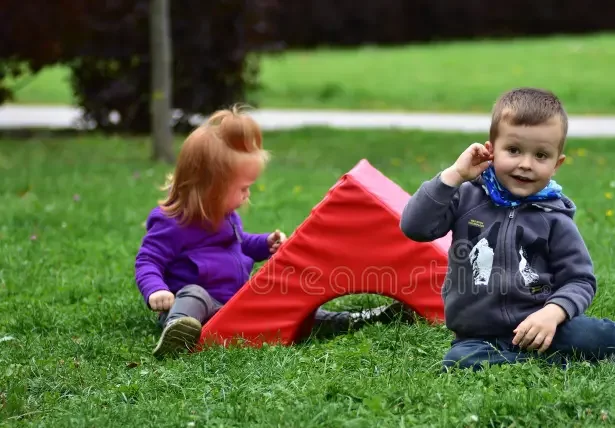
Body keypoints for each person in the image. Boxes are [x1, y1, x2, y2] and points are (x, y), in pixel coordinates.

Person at [400, 87, 615, 371]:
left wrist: (554, 313)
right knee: (458, 361)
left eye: (541, 156)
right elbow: (414, 226)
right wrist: (453, 175)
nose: (526, 164)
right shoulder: (466, 197)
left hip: (549, 328)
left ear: (556, 164)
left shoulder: (554, 217)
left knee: (595, 333)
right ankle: (554, 363)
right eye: (514, 150)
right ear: (491, 150)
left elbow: (580, 279)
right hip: (480, 336)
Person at [135, 106, 411, 358]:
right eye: (242, 188)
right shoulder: (171, 222)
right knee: (194, 292)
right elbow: (148, 261)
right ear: (210, 188)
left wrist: (264, 244)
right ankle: (178, 330)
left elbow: (239, 244)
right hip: (200, 308)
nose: (247, 194)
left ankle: (356, 319)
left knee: (292, 306)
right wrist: (156, 290)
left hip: (232, 306)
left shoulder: (225, 217)